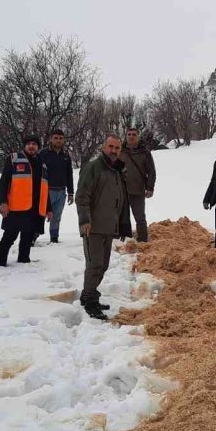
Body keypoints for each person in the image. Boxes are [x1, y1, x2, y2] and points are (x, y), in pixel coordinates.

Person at [76, 134, 132, 320]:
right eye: (111, 147)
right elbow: (82, 196)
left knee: (103, 265)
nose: (114, 151)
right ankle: (90, 300)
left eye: (117, 148)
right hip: (93, 226)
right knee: (95, 265)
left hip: (109, 226)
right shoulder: (94, 167)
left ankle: (88, 294)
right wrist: (85, 221)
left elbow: (121, 200)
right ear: (103, 147)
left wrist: (122, 224)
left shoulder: (117, 170)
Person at [0, 136, 52, 266]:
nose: (31, 146)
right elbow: (3, 182)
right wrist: (3, 202)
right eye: (29, 144)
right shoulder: (14, 158)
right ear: (24, 146)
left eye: (34, 144)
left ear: (38, 147)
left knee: (28, 236)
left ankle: (23, 260)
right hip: (16, 206)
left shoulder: (42, 163)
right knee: (9, 236)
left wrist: (49, 208)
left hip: (35, 207)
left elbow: (45, 188)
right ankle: (0, 262)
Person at [119, 127, 156, 242]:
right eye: (129, 134)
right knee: (121, 216)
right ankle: (122, 239)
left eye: (134, 134)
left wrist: (150, 188)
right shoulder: (120, 151)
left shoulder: (145, 152)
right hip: (121, 190)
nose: (131, 137)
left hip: (138, 190)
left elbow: (151, 171)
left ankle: (143, 240)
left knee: (140, 217)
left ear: (138, 137)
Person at [41, 128, 75, 243]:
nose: (58, 140)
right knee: (41, 214)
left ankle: (54, 238)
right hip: (47, 190)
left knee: (56, 217)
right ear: (51, 139)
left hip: (61, 191)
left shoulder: (66, 155)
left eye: (61, 138)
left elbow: (69, 174)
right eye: (56, 138)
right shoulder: (43, 153)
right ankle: (33, 236)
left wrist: (71, 192)